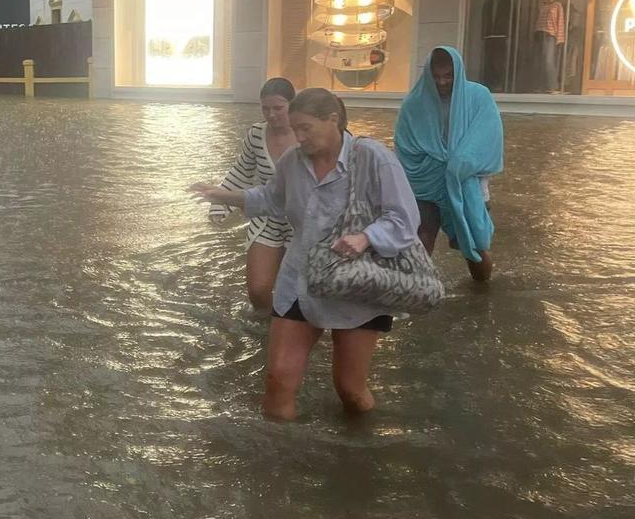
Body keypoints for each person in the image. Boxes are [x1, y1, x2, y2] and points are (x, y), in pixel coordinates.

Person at [190, 89, 421, 421]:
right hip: (302, 279)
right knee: (278, 380)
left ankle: (359, 454)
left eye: (305, 128)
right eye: (294, 129)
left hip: (359, 283)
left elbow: (404, 219)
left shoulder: (373, 157)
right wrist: (223, 196)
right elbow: (271, 199)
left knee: (350, 390)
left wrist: (366, 237)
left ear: (333, 120)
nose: (298, 137)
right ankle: (278, 465)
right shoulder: (293, 162)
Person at [394, 46, 503, 282]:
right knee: (421, 239)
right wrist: (440, 163)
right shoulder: (414, 103)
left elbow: (488, 137)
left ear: (458, 72)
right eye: (436, 77)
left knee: (474, 249)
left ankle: (483, 295)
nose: (442, 82)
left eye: (448, 76)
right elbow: (404, 146)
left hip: (467, 181)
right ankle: (415, 294)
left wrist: (458, 163)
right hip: (424, 184)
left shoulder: (478, 97)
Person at [208, 78, 298, 313]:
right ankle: (269, 328)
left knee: (296, 291)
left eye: (278, 108)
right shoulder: (257, 134)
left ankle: (292, 329)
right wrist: (220, 202)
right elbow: (242, 170)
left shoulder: (306, 133)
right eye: (265, 108)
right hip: (266, 216)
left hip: (302, 221)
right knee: (258, 290)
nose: (271, 115)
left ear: (293, 104)